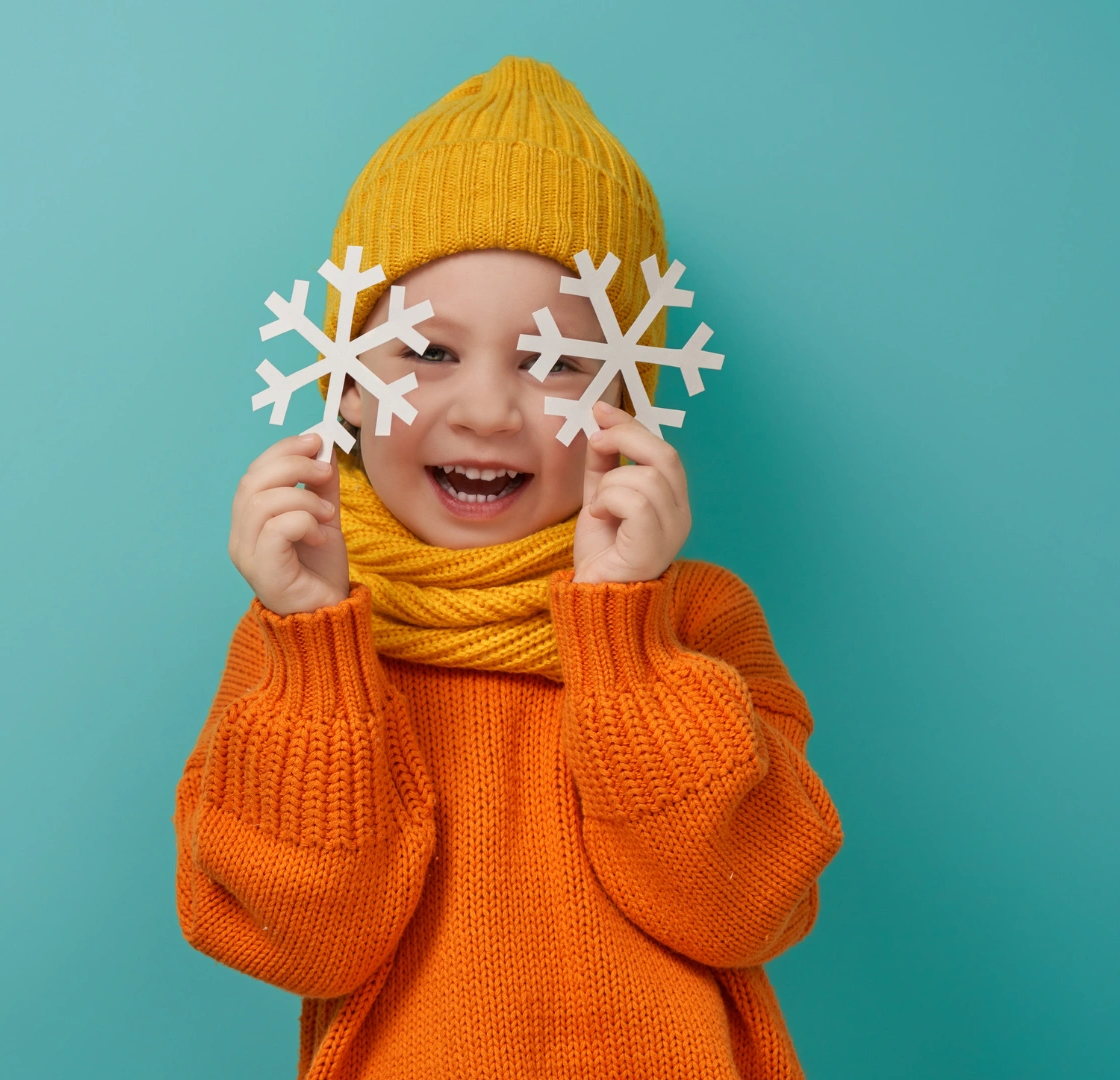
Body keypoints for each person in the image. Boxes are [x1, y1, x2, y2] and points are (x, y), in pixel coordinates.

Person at [174, 57, 844, 1079]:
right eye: (428, 353)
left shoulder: (694, 619)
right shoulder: (301, 645)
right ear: (345, 383)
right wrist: (315, 642)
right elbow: (311, 941)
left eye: (556, 362)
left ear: (632, 390)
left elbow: (744, 908)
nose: (487, 409)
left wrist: (622, 627)